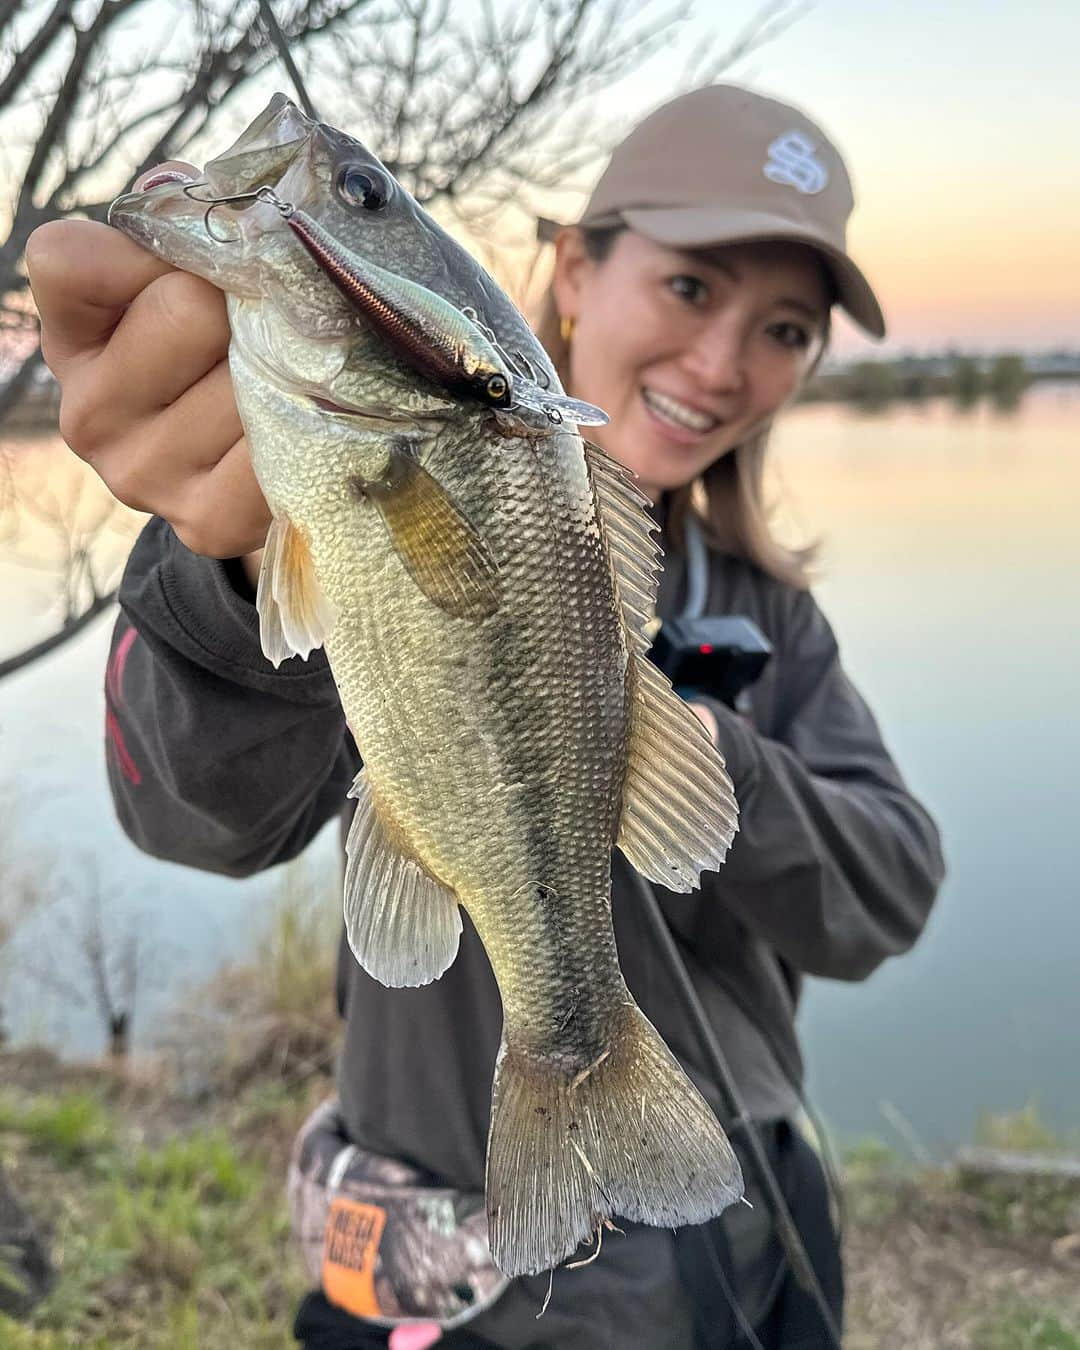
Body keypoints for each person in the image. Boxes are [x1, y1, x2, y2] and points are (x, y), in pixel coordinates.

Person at [27, 83, 945, 1348]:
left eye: (785, 330)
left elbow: (890, 890)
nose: (724, 362)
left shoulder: (775, 619)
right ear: (572, 271)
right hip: (460, 1290)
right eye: (690, 289)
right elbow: (190, 817)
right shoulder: (365, 473)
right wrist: (227, 575)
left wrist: (678, 740)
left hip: (745, 1244)